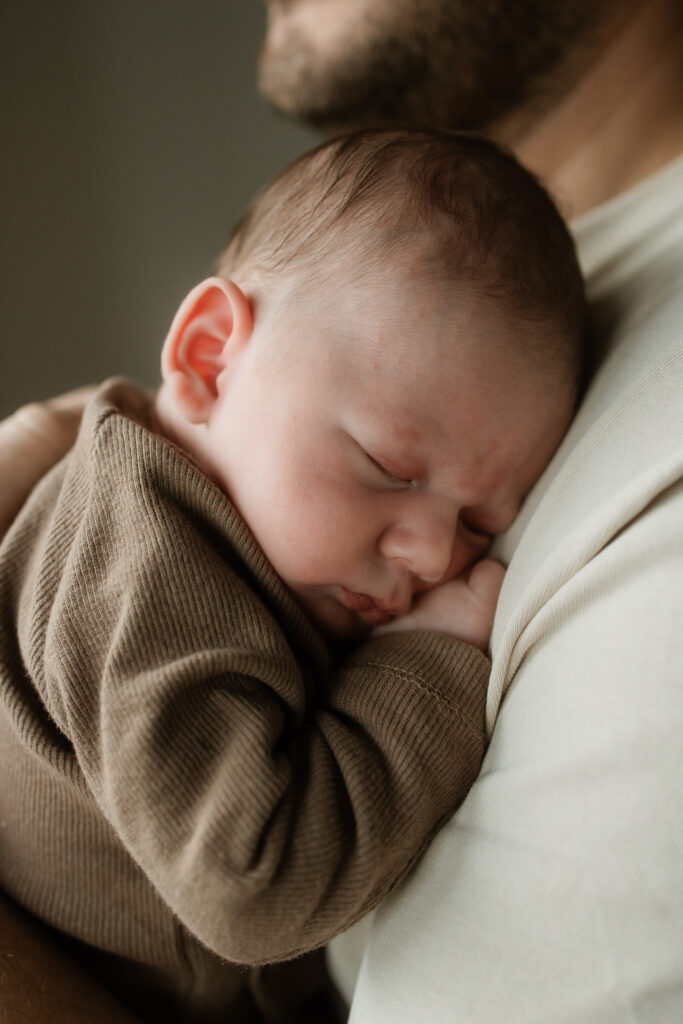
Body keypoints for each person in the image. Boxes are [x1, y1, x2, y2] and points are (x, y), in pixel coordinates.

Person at [1, 0, 682, 1020]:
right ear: (205, 360)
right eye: (385, 467)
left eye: (480, 524)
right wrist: (430, 668)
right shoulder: (144, 561)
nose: (429, 554)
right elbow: (255, 881)